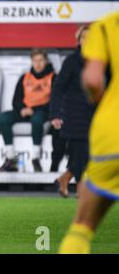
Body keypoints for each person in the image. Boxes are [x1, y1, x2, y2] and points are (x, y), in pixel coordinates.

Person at [59, 10, 119, 254]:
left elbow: (93, 80)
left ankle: (67, 178)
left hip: (111, 127)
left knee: (82, 227)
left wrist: (104, 103)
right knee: (78, 150)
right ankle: (67, 178)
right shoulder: (70, 61)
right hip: (78, 117)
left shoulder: (105, 26)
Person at [50, 25, 95, 197]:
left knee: (84, 151)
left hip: (94, 112)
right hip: (74, 112)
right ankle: (81, 188)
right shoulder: (71, 61)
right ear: (79, 41)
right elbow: (58, 89)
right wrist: (55, 114)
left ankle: (65, 178)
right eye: (84, 37)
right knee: (82, 149)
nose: (87, 41)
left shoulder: (101, 61)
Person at [0, 48, 56, 173]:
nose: (38, 64)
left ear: (46, 61)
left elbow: (55, 101)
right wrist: (22, 109)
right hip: (25, 110)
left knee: (37, 119)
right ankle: (10, 157)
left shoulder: (53, 77)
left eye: (41, 60)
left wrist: (34, 110)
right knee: (4, 118)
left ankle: (35, 158)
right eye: (35, 61)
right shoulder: (25, 77)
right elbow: (15, 100)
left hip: (42, 111)